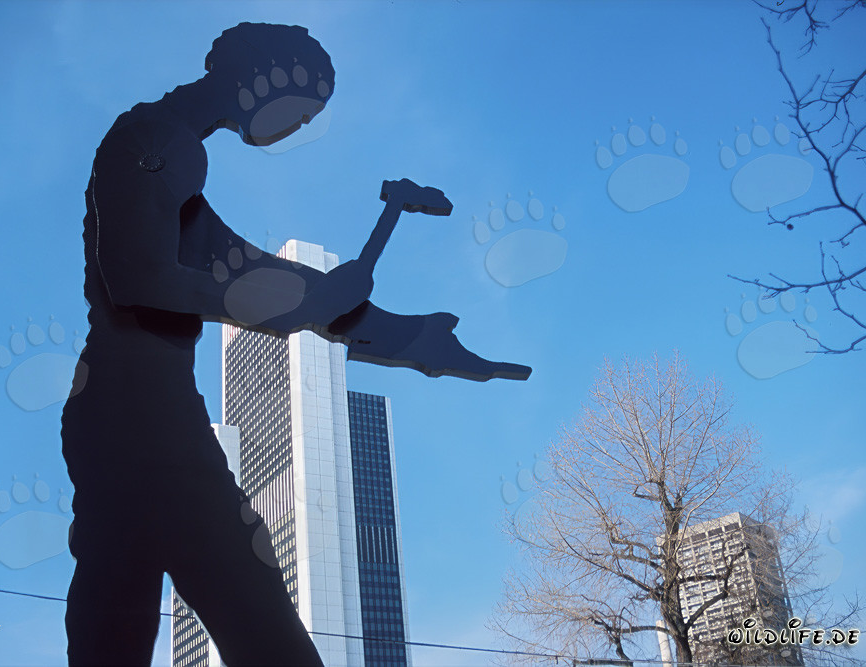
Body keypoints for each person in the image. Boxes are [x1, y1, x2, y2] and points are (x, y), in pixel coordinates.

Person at [62, 22, 529, 666]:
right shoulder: (156, 137)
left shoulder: (177, 172)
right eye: (304, 110)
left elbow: (250, 273)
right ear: (264, 79)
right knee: (245, 600)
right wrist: (293, 306)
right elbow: (139, 276)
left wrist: (415, 338)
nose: (300, 127)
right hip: (142, 412)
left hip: (123, 410)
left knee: (118, 609)